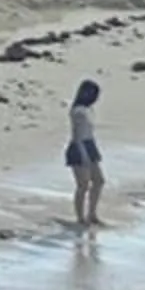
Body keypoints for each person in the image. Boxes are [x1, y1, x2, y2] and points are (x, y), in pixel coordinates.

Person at [64, 79, 102, 229]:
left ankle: (92, 214)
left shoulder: (88, 109)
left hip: (90, 144)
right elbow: (77, 134)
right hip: (79, 146)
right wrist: (83, 154)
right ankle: (80, 217)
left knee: (99, 180)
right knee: (83, 185)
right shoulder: (78, 111)